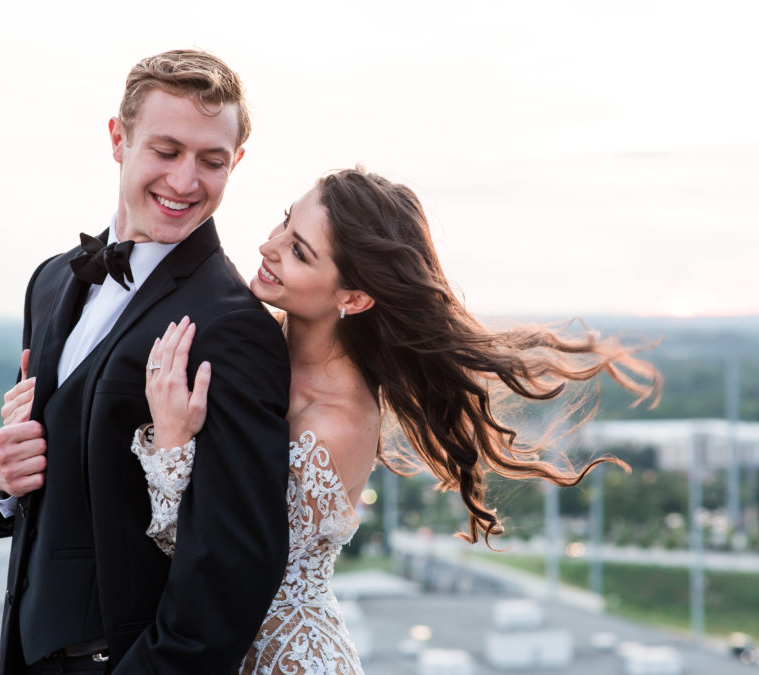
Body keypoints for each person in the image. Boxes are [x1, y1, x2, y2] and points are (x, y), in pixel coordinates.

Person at [129, 167, 662, 673]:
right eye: (286, 221)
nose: (269, 247)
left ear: (354, 297)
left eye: (299, 251)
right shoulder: (253, 344)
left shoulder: (335, 424)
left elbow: (226, 560)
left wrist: (171, 443)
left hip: (290, 659)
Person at [0, 49, 292, 673]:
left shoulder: (234, 326)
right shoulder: (48, 282)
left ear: (236, 162)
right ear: (118, 139)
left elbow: (234, 562)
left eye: (211, 160)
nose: (184, 182)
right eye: (166, 150)